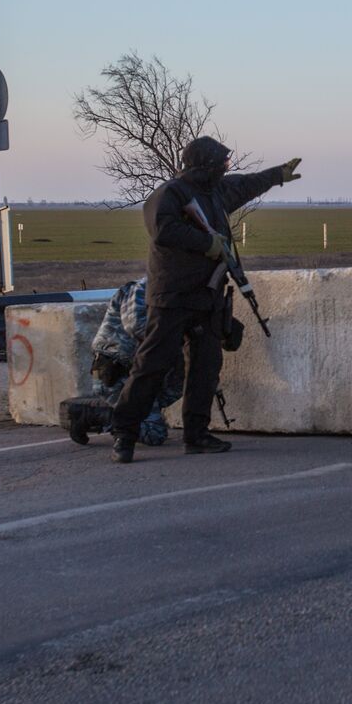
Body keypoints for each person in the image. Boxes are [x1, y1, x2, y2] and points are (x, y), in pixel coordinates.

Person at [108, 137, 301, 463]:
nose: (226, 168)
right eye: (221, 163)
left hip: (206, 295)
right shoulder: (171, 194)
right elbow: (164, 230)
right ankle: (124, 433)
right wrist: (206, 244)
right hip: (172, 293)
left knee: (205, 367)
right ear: (204, 165)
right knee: (151, 365)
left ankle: (196, 435)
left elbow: (246, 185)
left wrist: (276, 175)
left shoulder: (215, 192)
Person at [59, 277, 183, 447]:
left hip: (138, 371)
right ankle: (93, 415)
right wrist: (177, 330)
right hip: (116, 370)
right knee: (155, 434)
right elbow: (136, 325)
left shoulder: (171, 290)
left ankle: (120, 412)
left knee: (176, 385)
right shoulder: (143, 287)